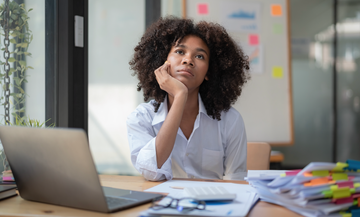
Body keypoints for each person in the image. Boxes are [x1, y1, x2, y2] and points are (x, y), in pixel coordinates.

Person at [127, 16, 250, 181]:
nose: (188, 60)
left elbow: (236, 182)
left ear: (209, 72)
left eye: (199, 56)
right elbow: (151, 171)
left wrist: (180, 95)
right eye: (179, 51)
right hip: (161, 203)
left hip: (212, 204)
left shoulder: (230, 120)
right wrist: (180, 96)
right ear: (163, 62)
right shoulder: (142, 118)